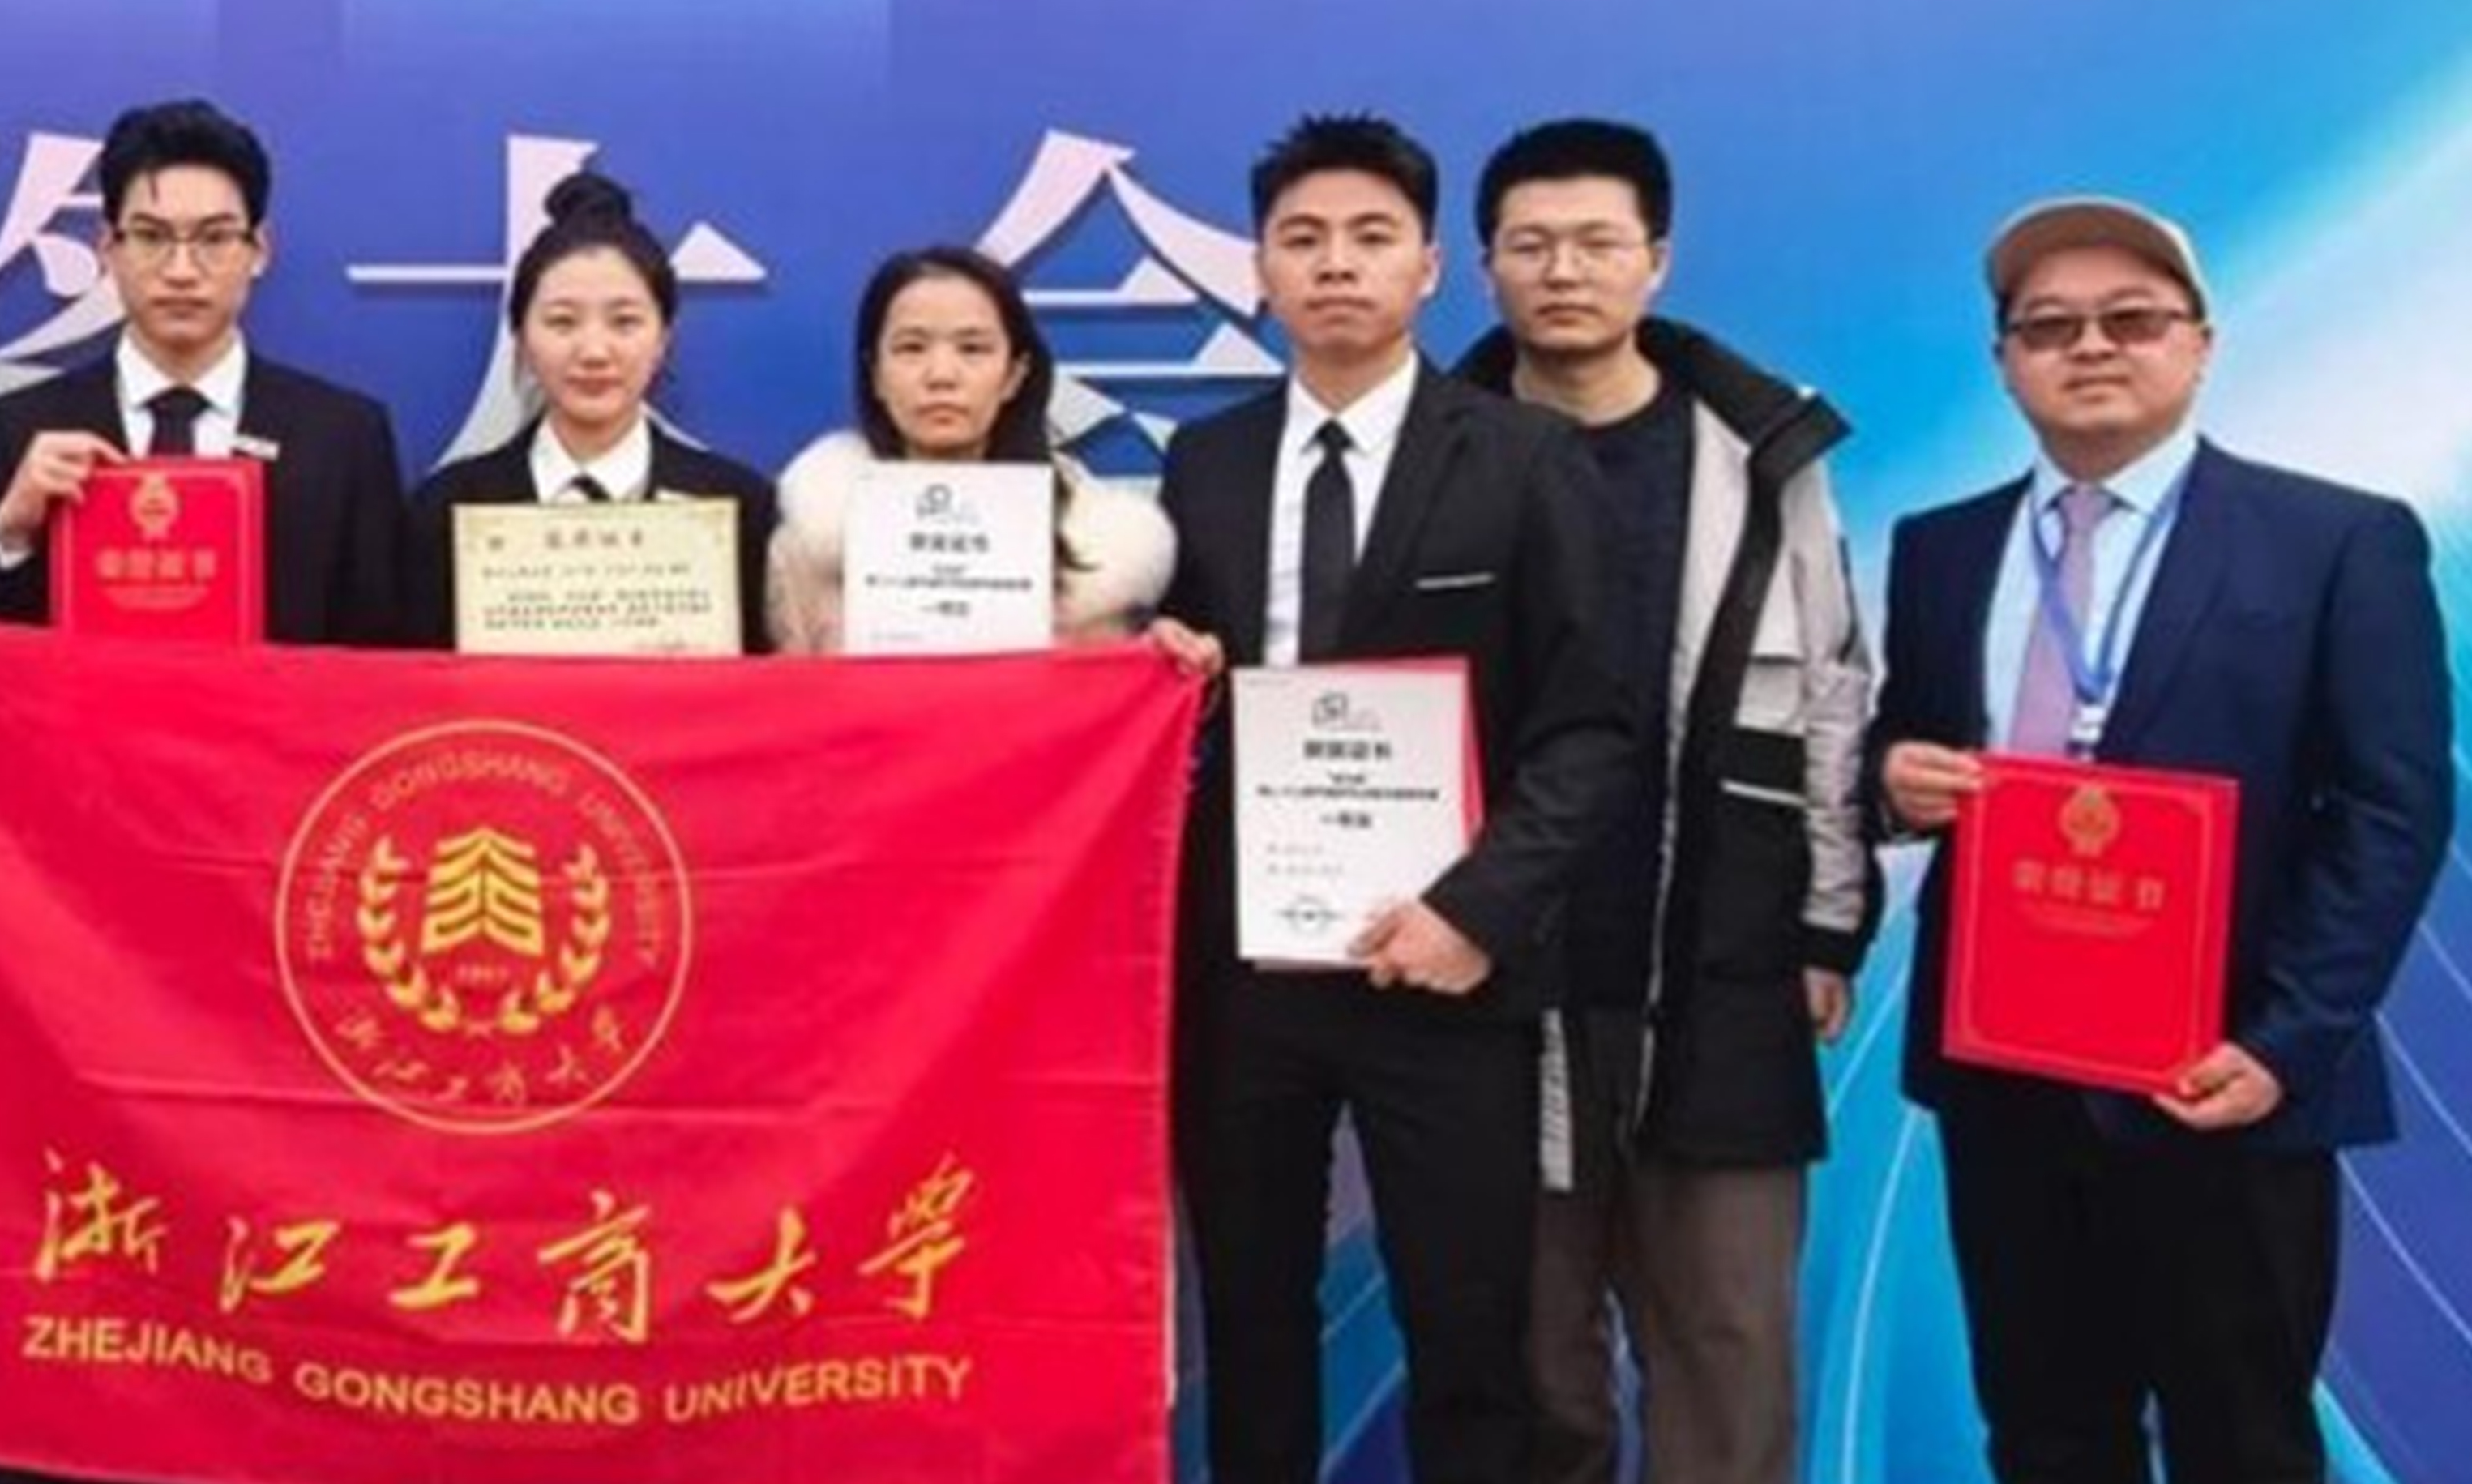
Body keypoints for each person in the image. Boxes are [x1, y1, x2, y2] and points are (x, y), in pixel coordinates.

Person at [1871, 199, 2451, 1484]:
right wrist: (1888, 780)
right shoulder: (1938, 548)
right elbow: (1897, 749)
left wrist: (2284, 1042)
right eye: (2047, 326)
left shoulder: (2336, 540)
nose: (2088, 347)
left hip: (2218, 1074)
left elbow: (2390, 808)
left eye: (2129, 319)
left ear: (2198, 343)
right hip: (2004, 1071)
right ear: (2003, 362)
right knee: (2042, 1432)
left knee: (2240, 1440)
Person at [1144, 115, 1637, 1484]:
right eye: (1301, 239)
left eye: (1371, 238)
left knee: (1468, 1330)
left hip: (1445, 967)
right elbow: (1176, 700)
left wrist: (1474, 911)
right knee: (1251, 1318)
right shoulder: (1206, 462)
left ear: (1428, 268)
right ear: (1258, 270)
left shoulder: (1527, 458)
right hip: (1248, 970)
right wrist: (1167, 671)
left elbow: (1592, 726)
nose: (1334, 265)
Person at [1450, 119, 1874, 1484]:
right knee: (1529, 1360)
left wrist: (1826, 922)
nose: (1561, 270)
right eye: (1529, 245)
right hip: (1495, 969)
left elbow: (1832, 685)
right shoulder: (1438, 447)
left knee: (1729, 1349)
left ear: (1657, 259)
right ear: (1484, 267)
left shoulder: (1762, 449)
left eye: (1595, 242)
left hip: (1718, 956)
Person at [0, 98, 409, 646]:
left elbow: (379, 653)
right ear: (108, 248)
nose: (180, 271)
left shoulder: (343, 436)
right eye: (151, 237)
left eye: (214, 238)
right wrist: (10, 535)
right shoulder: (16, 430)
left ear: (259, 250)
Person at [402, 171, 776, 650]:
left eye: (624, 322)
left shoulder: (738, 505)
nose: (594, 351)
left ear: (664, 338)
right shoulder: (448, 508)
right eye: (563, 322)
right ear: (520, 339)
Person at [761, 246, 1175, 652]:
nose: (942, 375)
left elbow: (1117, 686)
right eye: (911, 348)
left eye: (973, 348)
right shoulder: (810, 546)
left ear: (1014, 375)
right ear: (876, 375)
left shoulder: (1098, 548)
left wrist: (1163, 654)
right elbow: (791, 690)